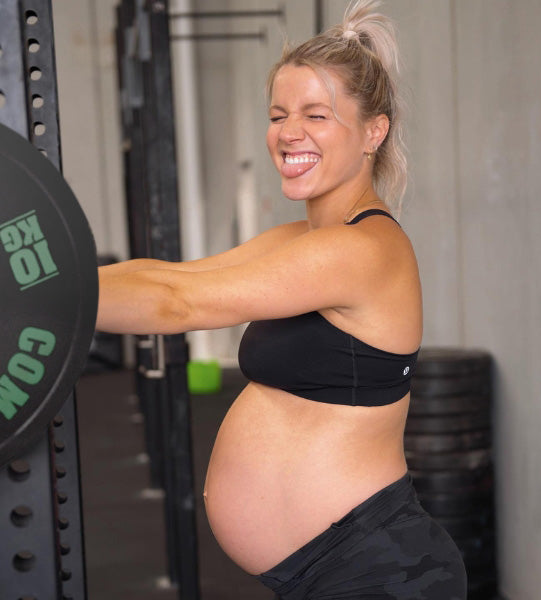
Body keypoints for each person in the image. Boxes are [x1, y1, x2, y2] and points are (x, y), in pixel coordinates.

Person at [97, 1, 467, 597]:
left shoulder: (362, 250)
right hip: (332, 571)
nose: (289, 131)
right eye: (279, 114)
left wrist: (44, 294)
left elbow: (179, 306)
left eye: (317, 115)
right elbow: (173, 276)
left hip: (376, 571)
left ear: (374, 131)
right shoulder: (304, 240)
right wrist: (48, 278)